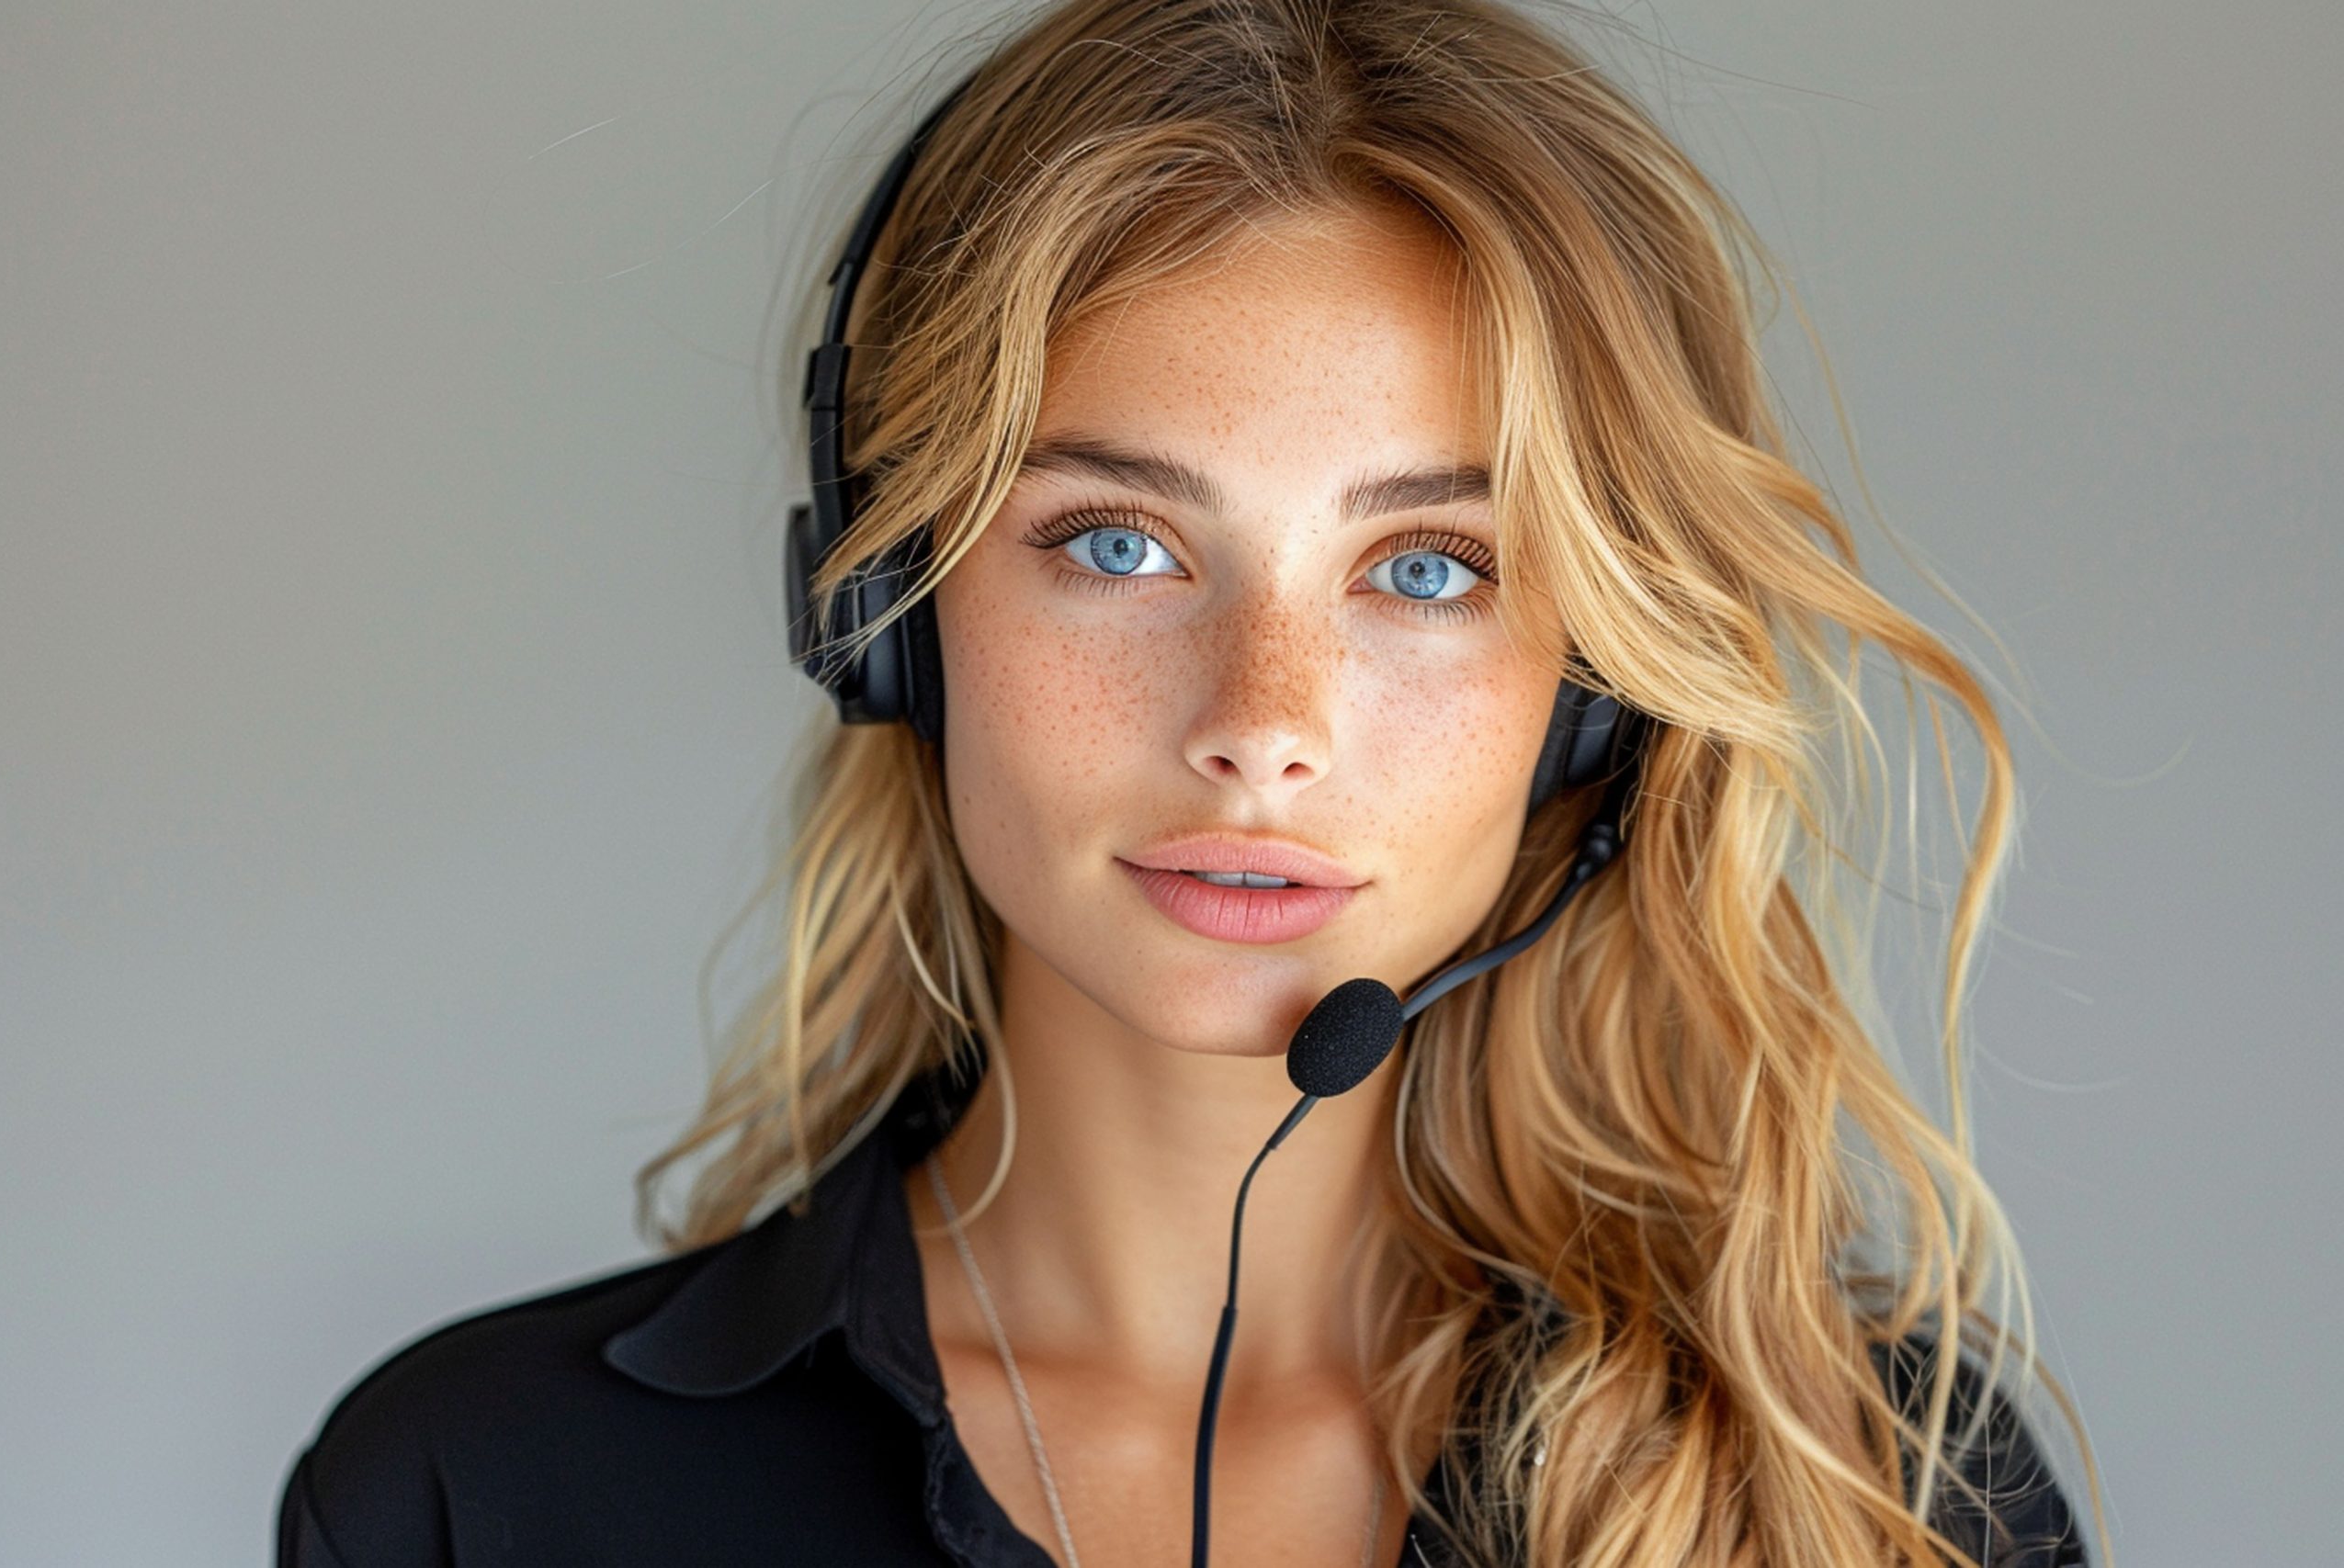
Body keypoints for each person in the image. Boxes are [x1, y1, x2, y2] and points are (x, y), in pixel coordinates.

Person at [276, 1, 2111, 1563]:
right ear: (886, 613)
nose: (1261, 721)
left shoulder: (1881, 1490)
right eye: (1117, 544)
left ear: (1598, 688)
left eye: (1422, 570)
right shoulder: (477, 1490)